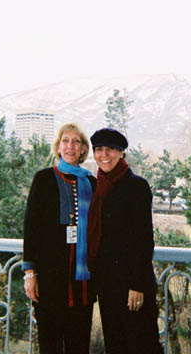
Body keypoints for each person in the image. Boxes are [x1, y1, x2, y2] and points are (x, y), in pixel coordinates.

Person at [87, 127, 163, 354]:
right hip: (108, 285)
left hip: (132, 286)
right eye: (99, 149)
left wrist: (137, 285)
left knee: (142, 344)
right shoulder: (97, 187)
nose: (104, 154)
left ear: (122, 154)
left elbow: (143, 239)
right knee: (116, 345)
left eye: (110, 149)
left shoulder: (136, 186)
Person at [22, 123, 96, 354]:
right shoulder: (44, 179)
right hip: (51, 280)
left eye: (76, 142)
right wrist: (30, 273)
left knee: (78, 345)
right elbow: (31, 228)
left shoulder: (92, 183)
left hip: (82, 282)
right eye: (65, 141)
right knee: (50, 343)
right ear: (58, 146)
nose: (70, 146)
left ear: (83, 149)